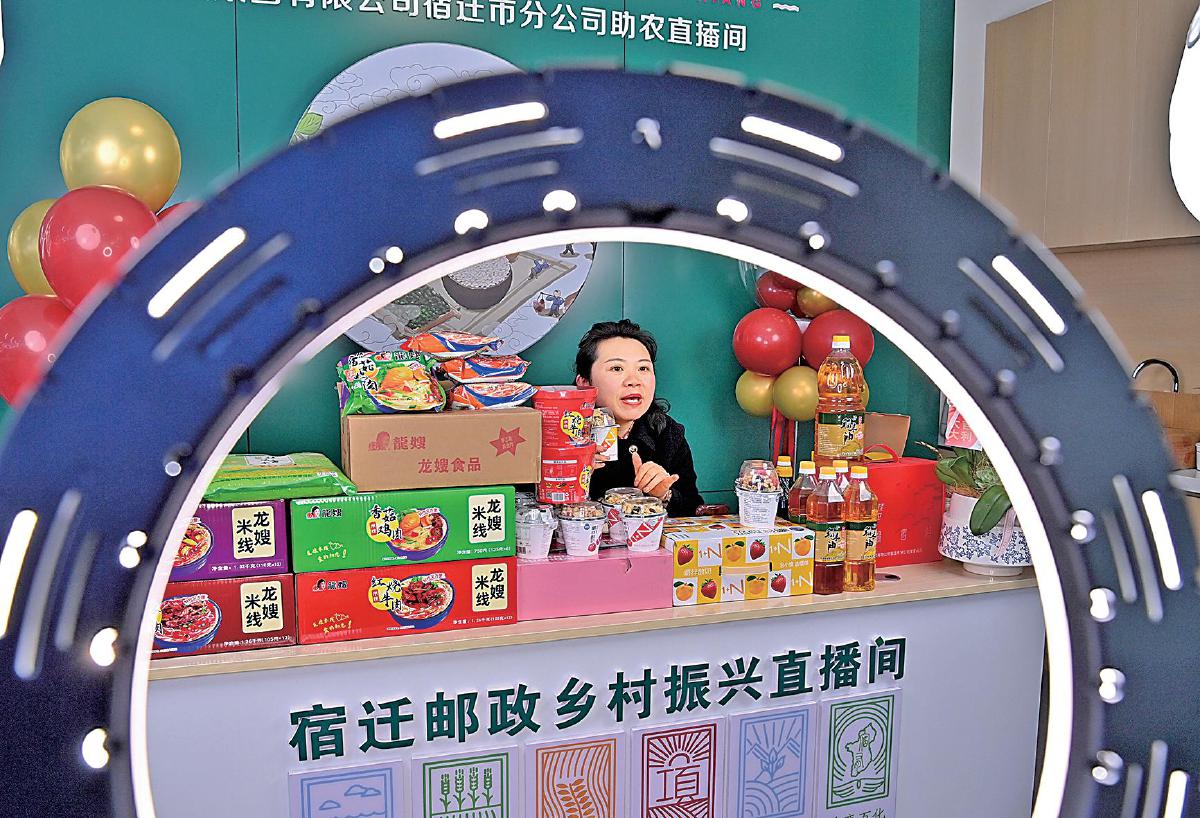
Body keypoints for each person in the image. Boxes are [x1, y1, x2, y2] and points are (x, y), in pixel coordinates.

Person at [575, 319, 704, 517]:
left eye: (643, 368)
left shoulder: (667, 433)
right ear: (585, 383)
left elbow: (694, 508)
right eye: (617, 368)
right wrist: (570, 476)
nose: (634, 381)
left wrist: (665, 494)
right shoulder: (558, 434)